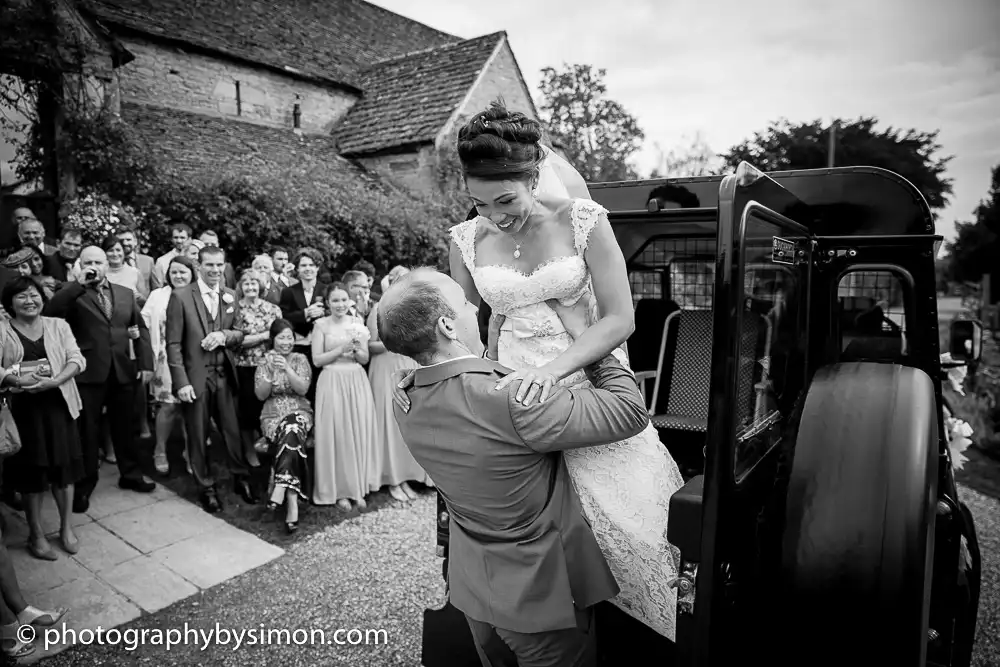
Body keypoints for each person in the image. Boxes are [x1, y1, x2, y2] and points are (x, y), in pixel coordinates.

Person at [398, 100, 683, 640]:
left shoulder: (584, 222)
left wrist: (554, 369)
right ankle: (547, 623)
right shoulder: (467, 240)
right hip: (511, 387)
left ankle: (636, 637)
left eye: (505, 199)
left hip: (583, 371)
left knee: (624, 523)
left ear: (535, 174)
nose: (493, 216)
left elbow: (620, 318)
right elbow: (468, 323)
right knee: (528, 522)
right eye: (478, 203)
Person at [380, 268, 652, 666]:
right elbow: (629, 411)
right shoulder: (513, 398)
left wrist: (489, 350)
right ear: (447, 324)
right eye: (466, 304)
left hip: (475, 594)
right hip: (538, 602)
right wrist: (590, 340)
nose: (476, 308)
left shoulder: (405, 397)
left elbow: (461, 388)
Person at [45, 245, 156, 514]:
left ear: (108, 264)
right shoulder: (71, 294)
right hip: (87, 372)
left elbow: (138, 329)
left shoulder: (125, 293)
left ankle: (130, 474)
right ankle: (84, 485)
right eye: (88, 262)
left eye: (99, 261)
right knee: (87, 431)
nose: (94, 266)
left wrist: (146, 363)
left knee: (126, 426)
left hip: (122, 370)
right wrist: (77, 286)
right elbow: (50, 314)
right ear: (79, 266)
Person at [1, 278, 86, 560]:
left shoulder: (57, 325)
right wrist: (16, 378)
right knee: (31, 474)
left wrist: (56, 380)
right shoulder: (2, 330)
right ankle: (36, 534)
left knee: (64, 470)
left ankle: (66, 528)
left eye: (34, 295)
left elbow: (76, 358)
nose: (29, 300)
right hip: (23, 410)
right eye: (21, 296)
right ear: (9, 302)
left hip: (59, 405)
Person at [165, 246, 255, 513]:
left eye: (219, 265)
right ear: (199, 266)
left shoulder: (230, 295)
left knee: (232, 431)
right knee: (197, 433)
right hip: (196, 377)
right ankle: (205, 486)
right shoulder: (180, 297)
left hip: (224, 375)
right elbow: (172, 344)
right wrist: (181, 382)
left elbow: (239, 333)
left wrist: (224, 336)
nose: (215, 270)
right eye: (209, 266)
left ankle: (240, 478)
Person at [311, 282, 378, 510]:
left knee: (356, 431)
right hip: (332, 380)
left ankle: (357, 487)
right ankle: (338, 490)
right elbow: (317, 360)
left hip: (356, 380)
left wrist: (358, 349)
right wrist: (341, 349)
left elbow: (365, 359)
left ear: (349, 302)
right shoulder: (320, 325)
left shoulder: (357, 324)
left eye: (343, 300)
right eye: (335, 300)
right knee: (337, 434)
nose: (340, 304)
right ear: (328, 303)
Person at [366, 266, 430, 502]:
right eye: (397, 280)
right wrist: (397, 340)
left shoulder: (416, 307)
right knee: (391, 424)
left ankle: (412, 475)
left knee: (411, 422)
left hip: (410, 366)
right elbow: (371, 346)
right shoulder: (379, 308)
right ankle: (394, 479)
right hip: (386, 368)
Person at [255, 319, 312, 533]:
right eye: (281, 337)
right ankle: (291, 501)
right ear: (273, 340)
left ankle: (280, 488)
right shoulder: (264, 361)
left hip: (299, 412)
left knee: (293, 427)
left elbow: (303, 389)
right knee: (291, 432)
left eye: (290, 337)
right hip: (272, 416)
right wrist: (270, 373)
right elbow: (260, 395)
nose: (286, 342)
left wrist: (287, 368)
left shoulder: (300, 359)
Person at [141, 256, 196, 475]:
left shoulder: (199, 295)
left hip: (194, 359)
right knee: (169, 406)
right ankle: (160, 450)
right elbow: (144, 324)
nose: (178, 276)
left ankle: (192, 452)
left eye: (183, 271)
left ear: (192, 272)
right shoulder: (158, 295)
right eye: (174, 272)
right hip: (165, 360)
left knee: (193, 407)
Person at [233, 269, 282, 467]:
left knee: (269, 409)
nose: (251, 287)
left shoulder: (273, 309)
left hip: (269, 367)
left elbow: (280, 336)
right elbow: (236, 341)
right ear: (241, 287)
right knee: (247, 411)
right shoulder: (235, 310)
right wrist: (263, 336)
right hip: (245, 367)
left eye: (254, 284)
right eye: (246, 284)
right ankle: (249, 451)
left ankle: (269, 445)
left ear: (260, 287)